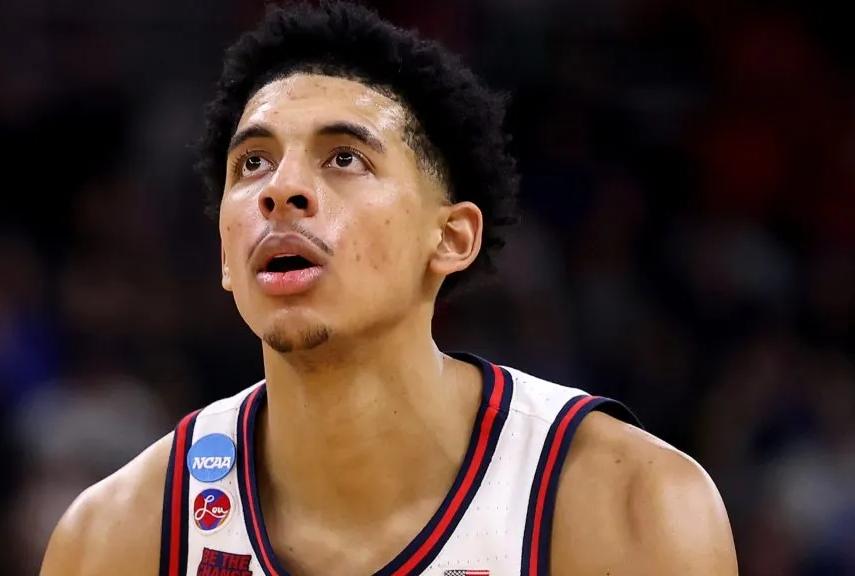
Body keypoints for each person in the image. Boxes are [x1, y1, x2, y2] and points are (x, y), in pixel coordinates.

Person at [40, 2, 738, 575]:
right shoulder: (115, 539)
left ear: (451, 238)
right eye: (252, 163)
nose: (280, 190)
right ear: (226, 254)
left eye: (345, 157)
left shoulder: (626, 508)